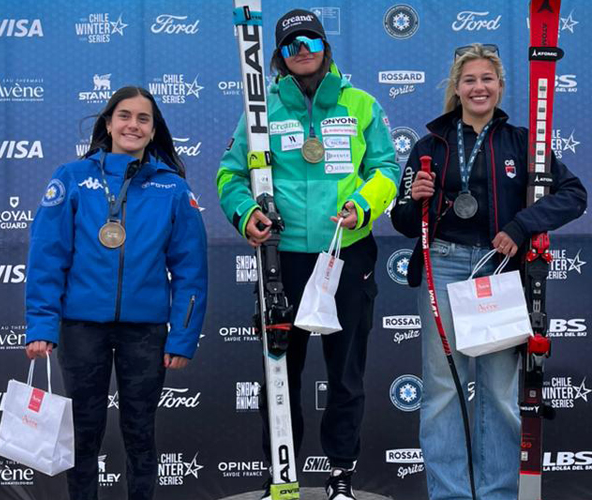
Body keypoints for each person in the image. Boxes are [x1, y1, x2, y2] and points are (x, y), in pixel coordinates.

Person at [390, 44, 587, 500]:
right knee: (443, 389)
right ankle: (450, 494)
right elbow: (402, 223)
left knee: (498, 392)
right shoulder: (429, 145)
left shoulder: (521, 142)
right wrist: (413, 198)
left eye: (487, 79)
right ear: (456, 89)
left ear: (499, 88)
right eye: (470, 80)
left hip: (498, 269)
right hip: (443, 263)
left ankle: (499, 493)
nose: (479, 87)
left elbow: (574, 195)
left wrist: (522, 225)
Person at [216, 9, 399, 500]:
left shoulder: (361, 104)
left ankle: (341, 475)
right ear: (278, 55)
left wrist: (362, 205)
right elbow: (231, 176)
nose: (302, 51)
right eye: (292, 44)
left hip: (347, 254)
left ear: (325, 48)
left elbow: (385, 168)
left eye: (310, 42)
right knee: (280, 371)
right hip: (282, 259)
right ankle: (283, 473)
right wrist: (244, 213)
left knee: (345, 374)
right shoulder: (262, 110)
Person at [24, 86, 208, 500]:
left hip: (145, 332)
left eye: (144, 119)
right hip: (81, 327)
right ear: (108, 123)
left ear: (153, 128)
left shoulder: (174, 188)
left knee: (140, 432)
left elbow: (191, 271)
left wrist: (181, 335)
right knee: (84, 431)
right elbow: (47, 258)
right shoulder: (71, 177)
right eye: (125, 115)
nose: (133, 125)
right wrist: (42, 324)